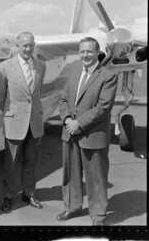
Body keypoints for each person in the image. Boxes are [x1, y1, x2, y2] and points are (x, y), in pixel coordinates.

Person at [57, 37, 118, 226]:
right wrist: (67, 119)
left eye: (89, 51)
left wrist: (79, 124)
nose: (85, 55)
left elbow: (103, 107)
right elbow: (64, 100)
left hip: (92, 135)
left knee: (96, 177)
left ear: (97, 52)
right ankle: (72, 207)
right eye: (82, 51)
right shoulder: (75, 72)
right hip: (70, 133)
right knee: (71, 175)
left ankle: (98, 215)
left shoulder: (108, 76)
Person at [0, 31, 46, 213]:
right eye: (24, 45)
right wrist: (11, 112)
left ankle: (28, 193)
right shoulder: (5, 67)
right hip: (14, 121)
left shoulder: (41, 66)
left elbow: (37, 93)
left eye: (31, 45)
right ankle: (8, 196)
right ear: (17, 46)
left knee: (31, 161)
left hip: (35, 121)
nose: (28, 49)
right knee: (11, 162)